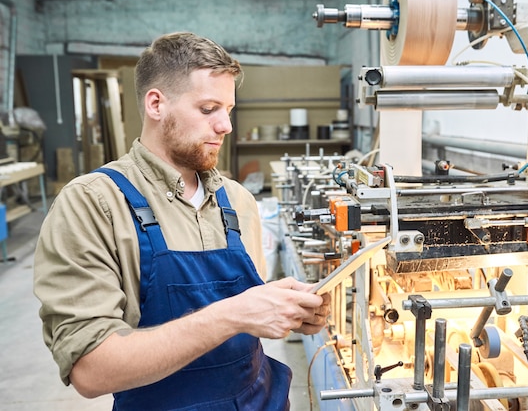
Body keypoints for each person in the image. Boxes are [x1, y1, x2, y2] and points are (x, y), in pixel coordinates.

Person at [33, 32, 331, 410]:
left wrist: (287, 309)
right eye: (209, 109)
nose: (226, 126)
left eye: (229, 110)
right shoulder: (93, 203)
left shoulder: (237, 201)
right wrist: (233, 313)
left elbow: (245, 326)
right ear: (156, 104)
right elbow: (91, 370)